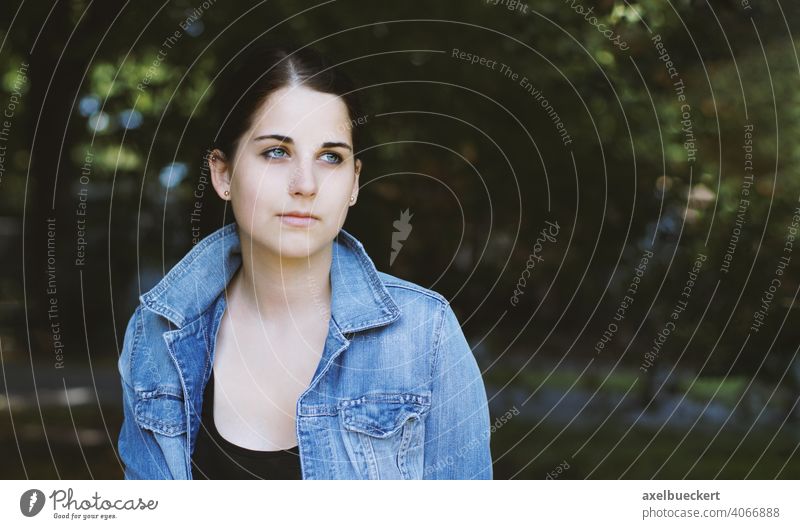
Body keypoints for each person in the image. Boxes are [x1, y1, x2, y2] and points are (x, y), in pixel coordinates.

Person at [116, 43, 492, 479]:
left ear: (354, 183)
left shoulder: (424, 334)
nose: (306, 184)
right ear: (222, 174)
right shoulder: (155, 334)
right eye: (277, 151)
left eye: (331, 157)